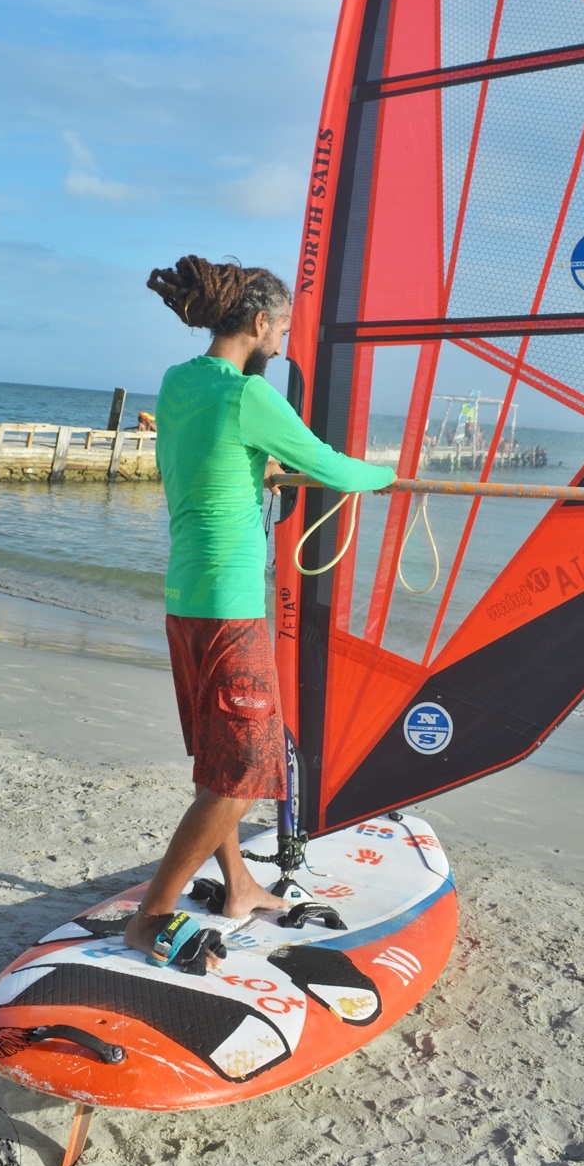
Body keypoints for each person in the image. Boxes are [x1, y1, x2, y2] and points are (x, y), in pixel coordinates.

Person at [123, 254, 394, 973]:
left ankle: (239, 884)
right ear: (261, 321)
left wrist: (260, 471)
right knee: (241, 773)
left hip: (186, 599)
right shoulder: (250, 395)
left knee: (220, 759)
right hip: (229, 608)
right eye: (282, 329)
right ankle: (151, 917)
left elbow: (198, 460)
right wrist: (391, 476)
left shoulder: (179, 382)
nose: (283, 341)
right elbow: (333, 466)